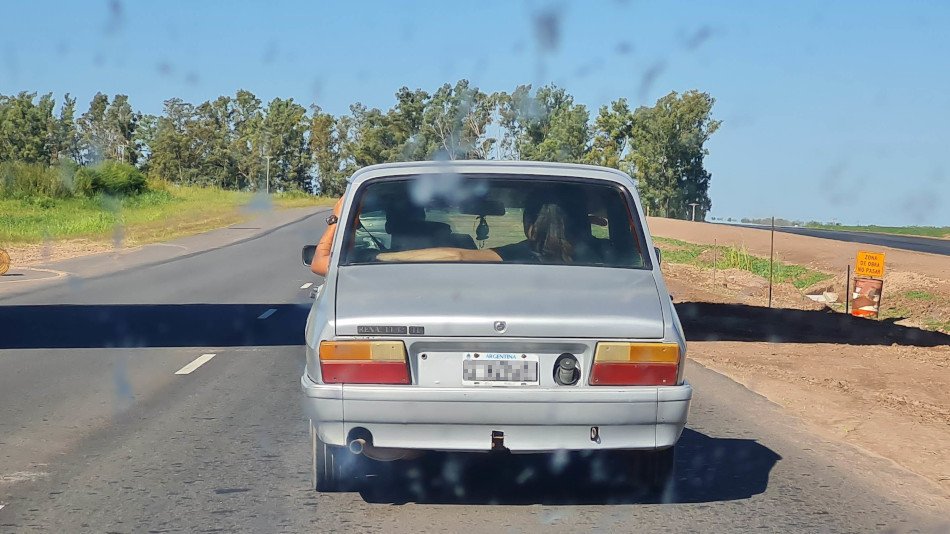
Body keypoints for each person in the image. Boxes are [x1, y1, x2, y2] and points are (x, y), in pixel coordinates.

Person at [376, 193, 578, 264]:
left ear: (530, 224)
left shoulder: (524, 252)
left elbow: (456, 257)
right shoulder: (602, 253)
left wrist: (382, 257)